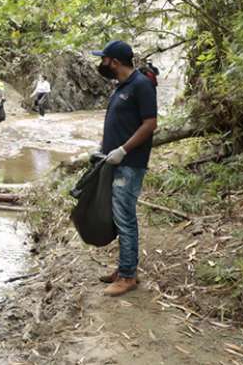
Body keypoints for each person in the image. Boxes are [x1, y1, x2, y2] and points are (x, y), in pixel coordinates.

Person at [91, 40, 157, 297]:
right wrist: (103, 150)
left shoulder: (141, 85)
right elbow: (117, 124)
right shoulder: (120, 87)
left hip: (130, 164)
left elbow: (150, 124)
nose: (102, 64)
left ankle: (128, 276)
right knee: (119, 216)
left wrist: (123, 150)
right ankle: (124, 269)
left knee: (125, 218)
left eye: (104, 59)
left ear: (115, 62)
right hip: (114, 161)